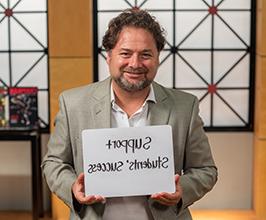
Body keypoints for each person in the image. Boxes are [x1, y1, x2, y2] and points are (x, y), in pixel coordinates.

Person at [42, 9, 217, 220]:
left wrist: (182, 191)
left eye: (146, 54)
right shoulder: (73, 104)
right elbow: (53, 163)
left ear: (158, 58)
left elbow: (205, 169)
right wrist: (72, 187)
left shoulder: (185, 106)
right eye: (125, 53)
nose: (135, 64)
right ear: (109, 56)